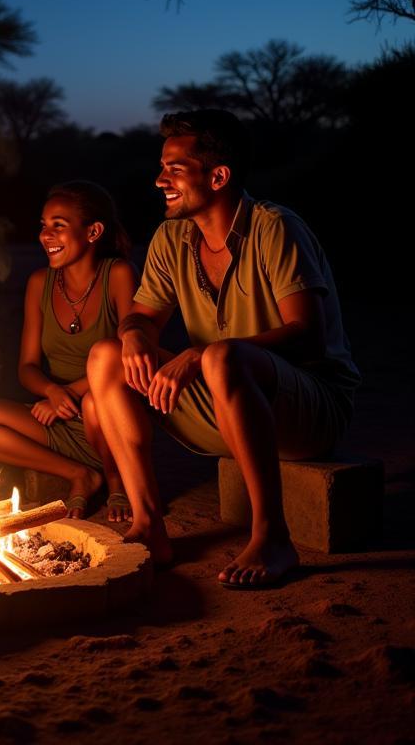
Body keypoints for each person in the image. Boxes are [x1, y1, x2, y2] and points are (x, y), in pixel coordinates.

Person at [87, 109, 359, 587]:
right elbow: (143, 317)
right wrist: (133, 333)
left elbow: (308, 335)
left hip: (308, 408)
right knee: (106, 356)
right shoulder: (172, 237)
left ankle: (273, 536)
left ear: (218, 176)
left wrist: (198, 355)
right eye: (161, 167)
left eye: (174, 169)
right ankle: (150, 525)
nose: (159, 180)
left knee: (219, 355)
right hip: (224, 403)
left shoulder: (275, 227)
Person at [0, 182, 135, 521]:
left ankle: (118, 480)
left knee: (93, 403)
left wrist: (68, 394)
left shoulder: (118, 275)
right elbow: (28, 367)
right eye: (43, 226)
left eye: (58, 226)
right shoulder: (39, 283)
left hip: (108, 413)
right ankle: (81, 475)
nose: (45, 235)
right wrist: (50, 390)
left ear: (93, 232)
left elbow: (128, 354)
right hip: (57, 413)